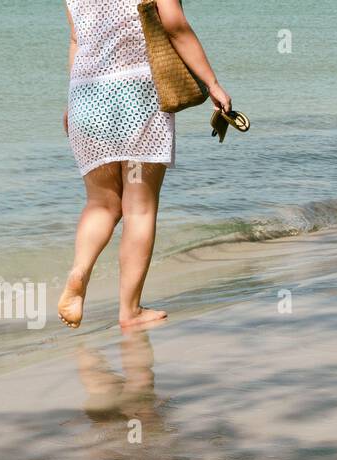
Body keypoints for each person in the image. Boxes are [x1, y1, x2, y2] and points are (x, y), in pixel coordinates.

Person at [57, 0, 231, 330]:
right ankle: (130, 311)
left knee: (101, 204)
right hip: (137, 98)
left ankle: (78, 274)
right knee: (139, 207)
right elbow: (175, 27)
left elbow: (76, 41)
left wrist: (71, 101)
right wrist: (212, 84)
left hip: (85, 101)